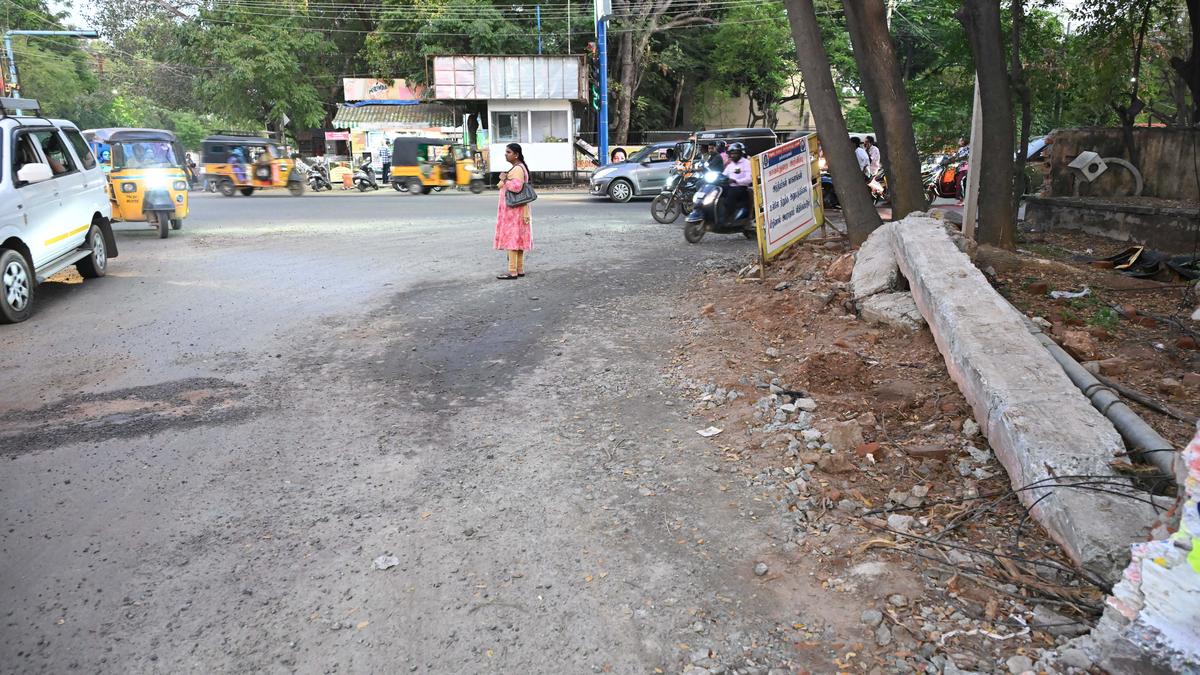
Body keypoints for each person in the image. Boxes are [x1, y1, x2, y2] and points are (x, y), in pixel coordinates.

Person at [494, 143, 533, 279]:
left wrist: (504, 180)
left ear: (516, 154)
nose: (506, 154)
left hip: (514, 211)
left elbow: (516, 187)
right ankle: (520, 269)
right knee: (518, 240)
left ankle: (512, 271)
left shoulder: (517, 169)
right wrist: (503, 180)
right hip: (519, 210)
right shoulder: (519, 167)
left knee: (512, 239)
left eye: (508, 152)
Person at [723, 142, 753, 217]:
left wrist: (736, 181)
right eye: (731, 153)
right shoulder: (730, 165)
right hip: (730, 187)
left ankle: (728, 217)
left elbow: (749, 179)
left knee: (731, 194)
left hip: (742, 188)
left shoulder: (746, 163)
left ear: (740, 153)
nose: (733, 155)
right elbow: (723, 175)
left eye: (735, 153)